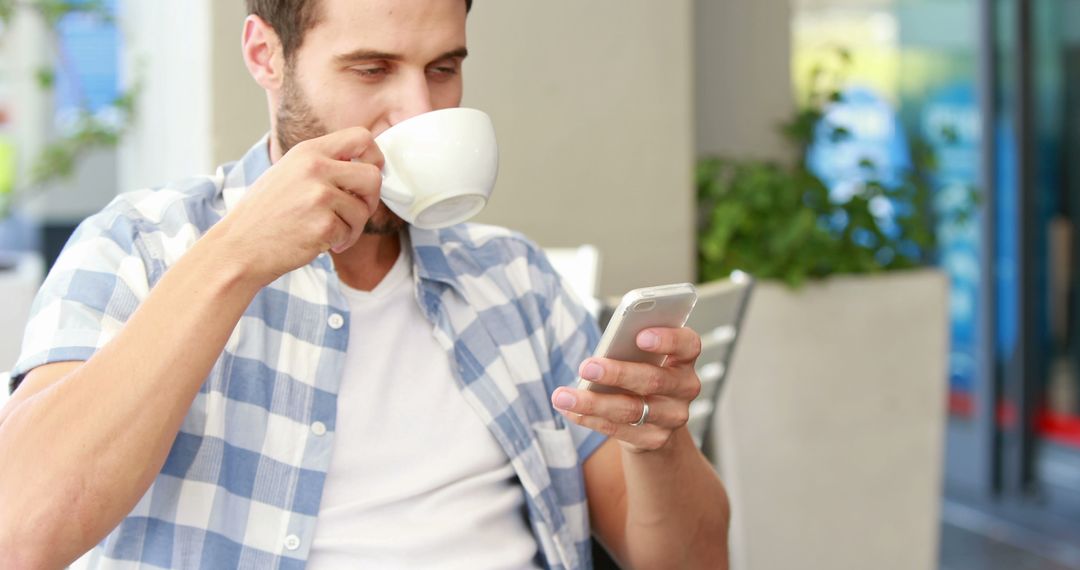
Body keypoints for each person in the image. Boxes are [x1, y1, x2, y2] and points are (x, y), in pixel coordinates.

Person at [0, 0, 730, 568]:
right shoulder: (144, 248)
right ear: (266, 55)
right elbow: (20, 536)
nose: (419, 109)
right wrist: (235, 257)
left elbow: (690, 562)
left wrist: (657, 444)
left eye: (443, 68)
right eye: (372, 69)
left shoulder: (516, 281)